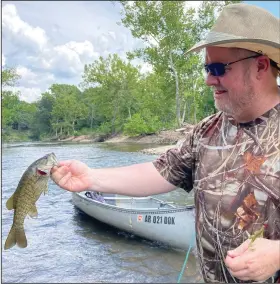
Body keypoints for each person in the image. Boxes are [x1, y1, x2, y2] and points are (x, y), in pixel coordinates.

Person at [51, 3, 280, 283]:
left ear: (260, 66)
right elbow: (160, 172)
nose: (209, 79)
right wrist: (90, 178)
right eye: (207, 68)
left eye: (219, 68)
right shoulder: (207, 130)